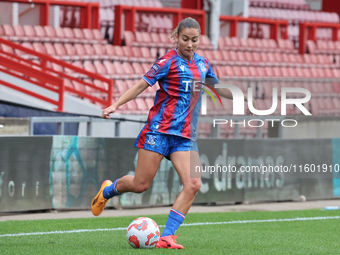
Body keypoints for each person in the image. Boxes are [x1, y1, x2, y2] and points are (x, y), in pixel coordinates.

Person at [91, 17, 255, 249]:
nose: (190, 44)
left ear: (200, 40)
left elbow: (217, 87)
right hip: (159, 131)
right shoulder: (167, 61)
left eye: (194, 40)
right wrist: (115, 105)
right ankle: (108, 190)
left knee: (194, 183)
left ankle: (167, 236)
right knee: (140, 185)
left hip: (186, 136)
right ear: (176, 37)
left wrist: (244, 96)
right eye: (185, 39)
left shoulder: (203, 64)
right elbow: (140, 85)